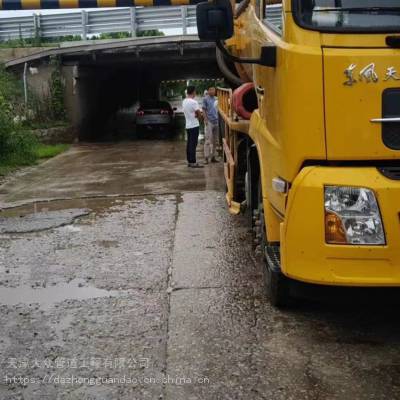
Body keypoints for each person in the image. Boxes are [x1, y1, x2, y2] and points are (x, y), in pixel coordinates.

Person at [182, 86, 203, 168]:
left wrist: (195, 114)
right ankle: (193, 162)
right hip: (194, 125)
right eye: (195, 92)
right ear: (193, 92)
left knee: (189, 143)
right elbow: (198, 113)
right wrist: (199, 117)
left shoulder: (184, 101)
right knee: (193, 144)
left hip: (188, 125)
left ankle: (189, 161)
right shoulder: (194, 102)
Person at [202, 86, 219, 164]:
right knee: (208, 140)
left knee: (215, 141)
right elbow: (204, 110)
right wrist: (205, 120)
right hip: (209, 122)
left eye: (214, 90)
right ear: (208, 91)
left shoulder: (216, 99)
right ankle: (206, 158)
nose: (213, 91)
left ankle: (213, 157)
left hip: (216, 121)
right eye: (211, 90)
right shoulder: (205, 99)